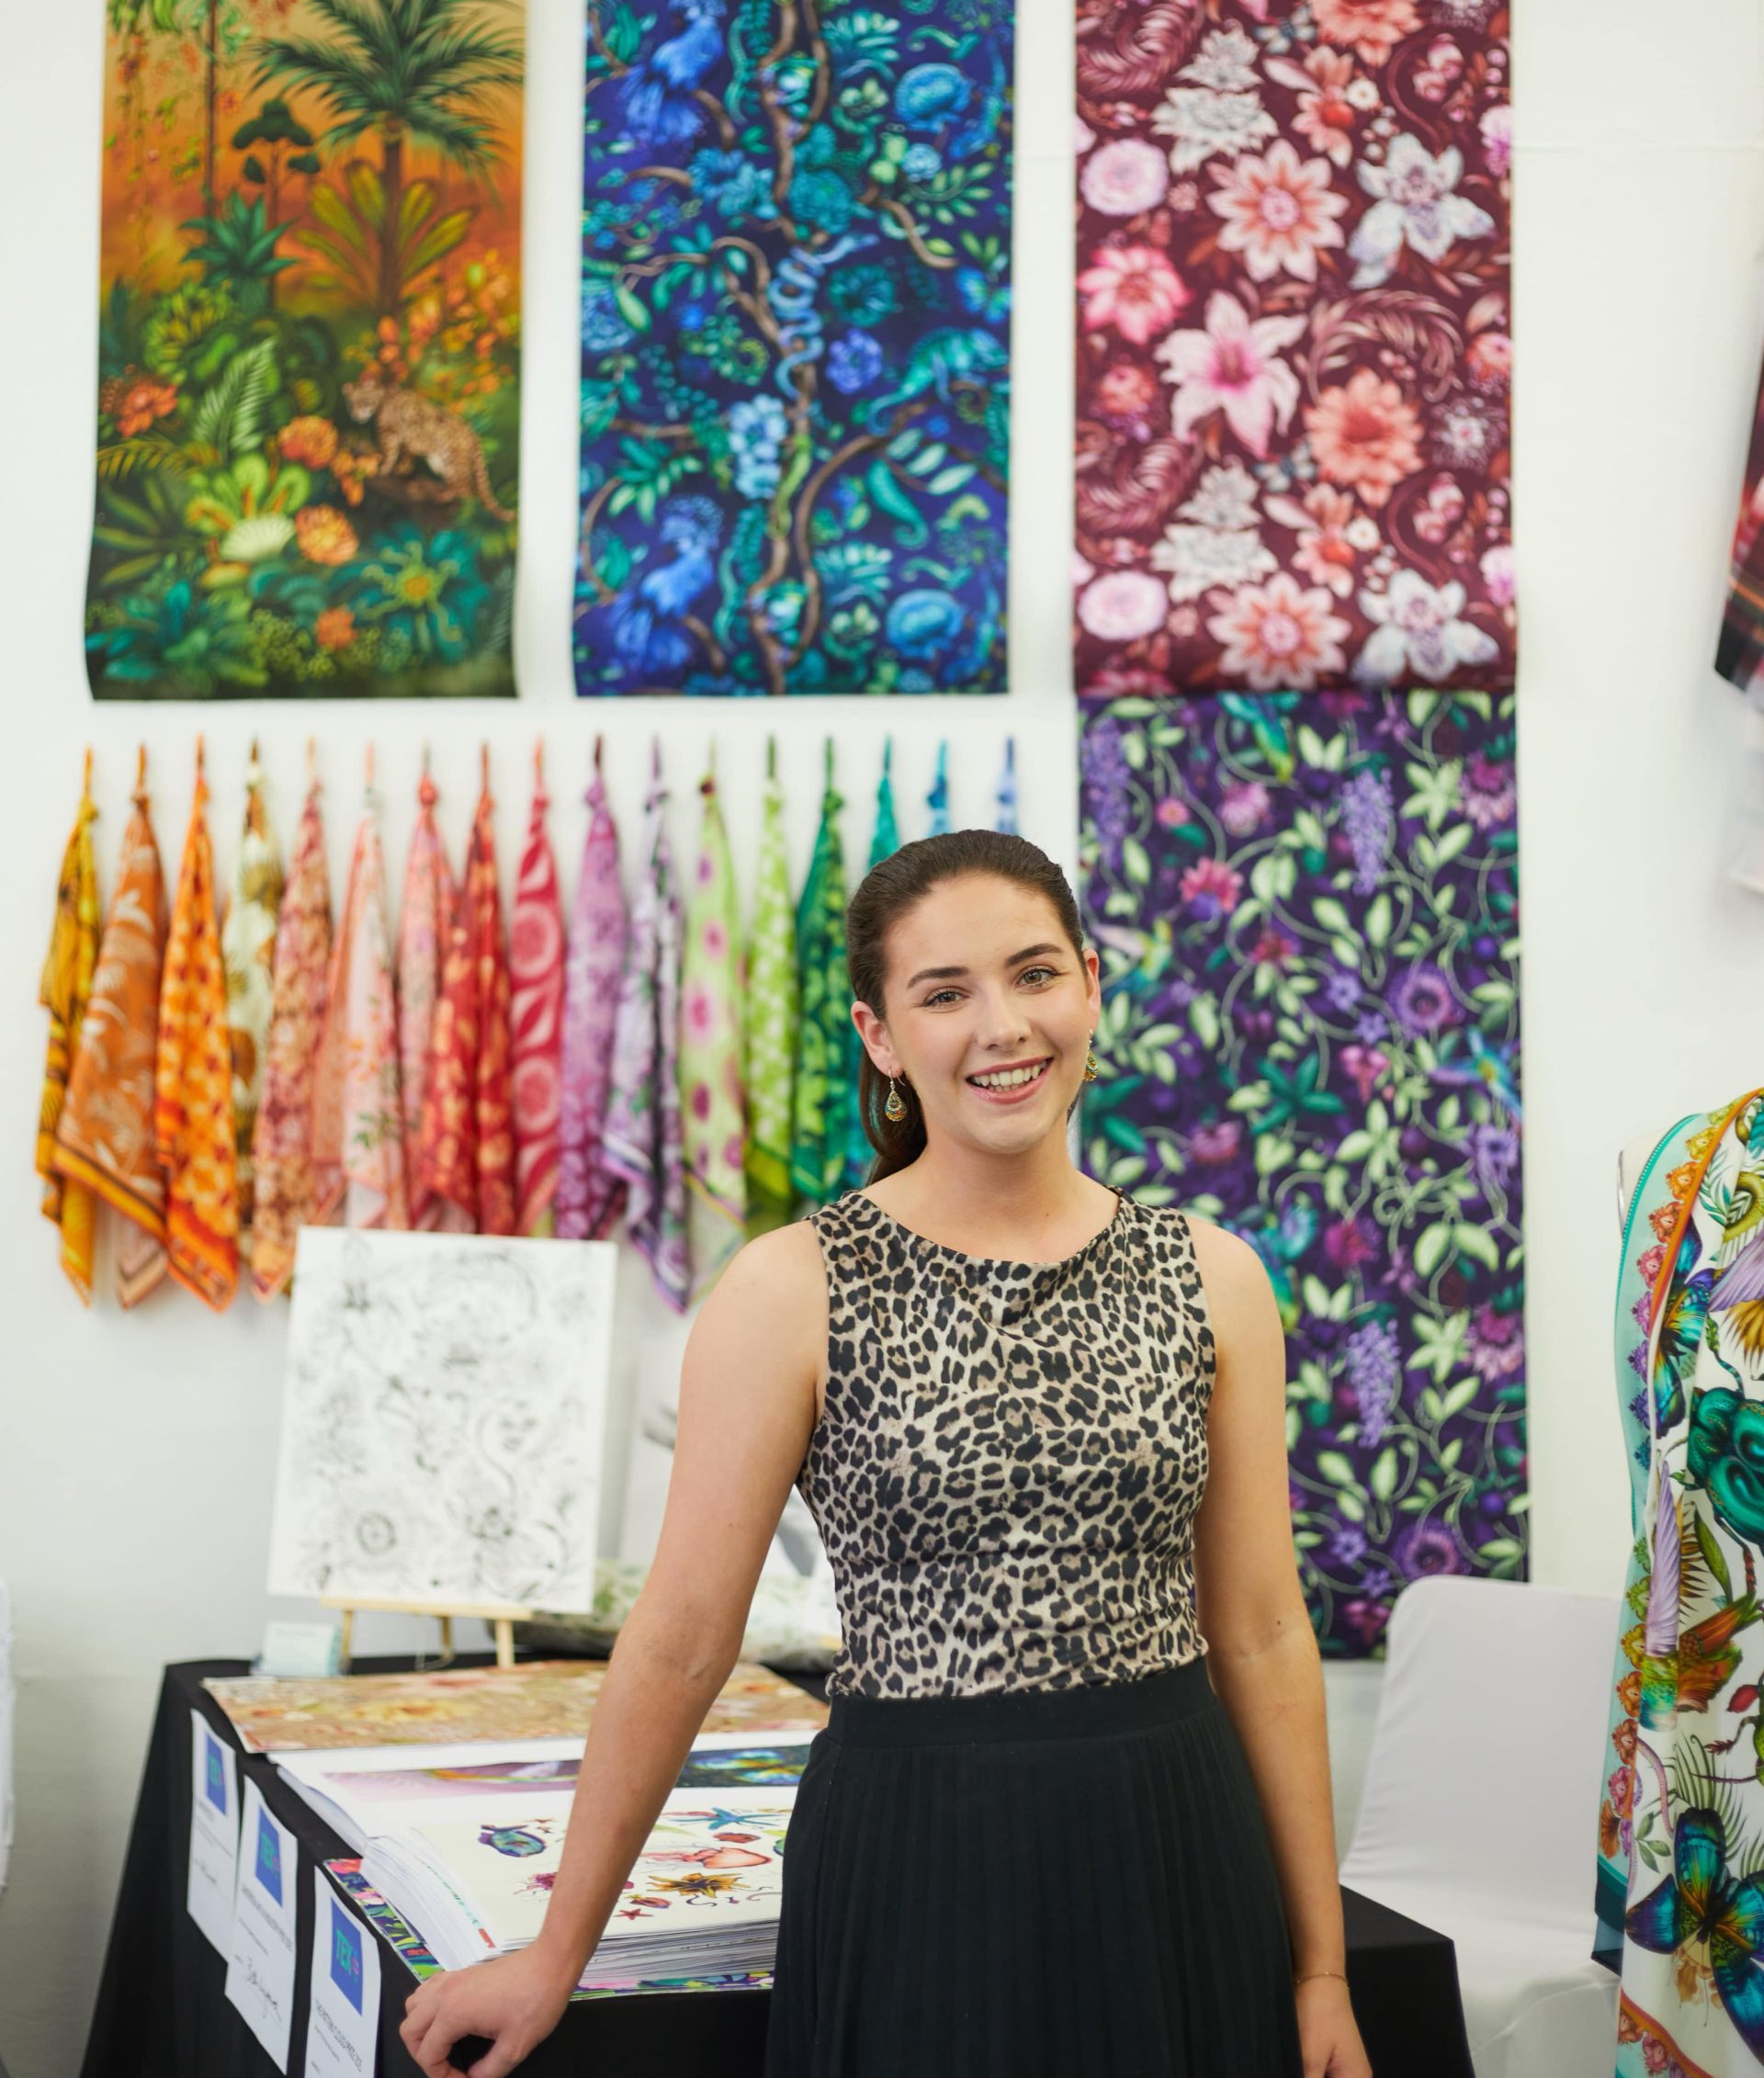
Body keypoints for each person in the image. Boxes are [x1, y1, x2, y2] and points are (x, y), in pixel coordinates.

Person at [401, 830, 1373, 2078]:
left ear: (1090, 984)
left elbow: (1264, 1632)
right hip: (918, 1858)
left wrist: (1322, 1969)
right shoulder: (790, 1290)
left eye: (1034, 974)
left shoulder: (1213, 1276)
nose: (1003, 1027)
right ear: (880, 1037)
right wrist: (555, 1956)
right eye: (945, 993)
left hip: (1177, 1843)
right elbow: (683, 1638)